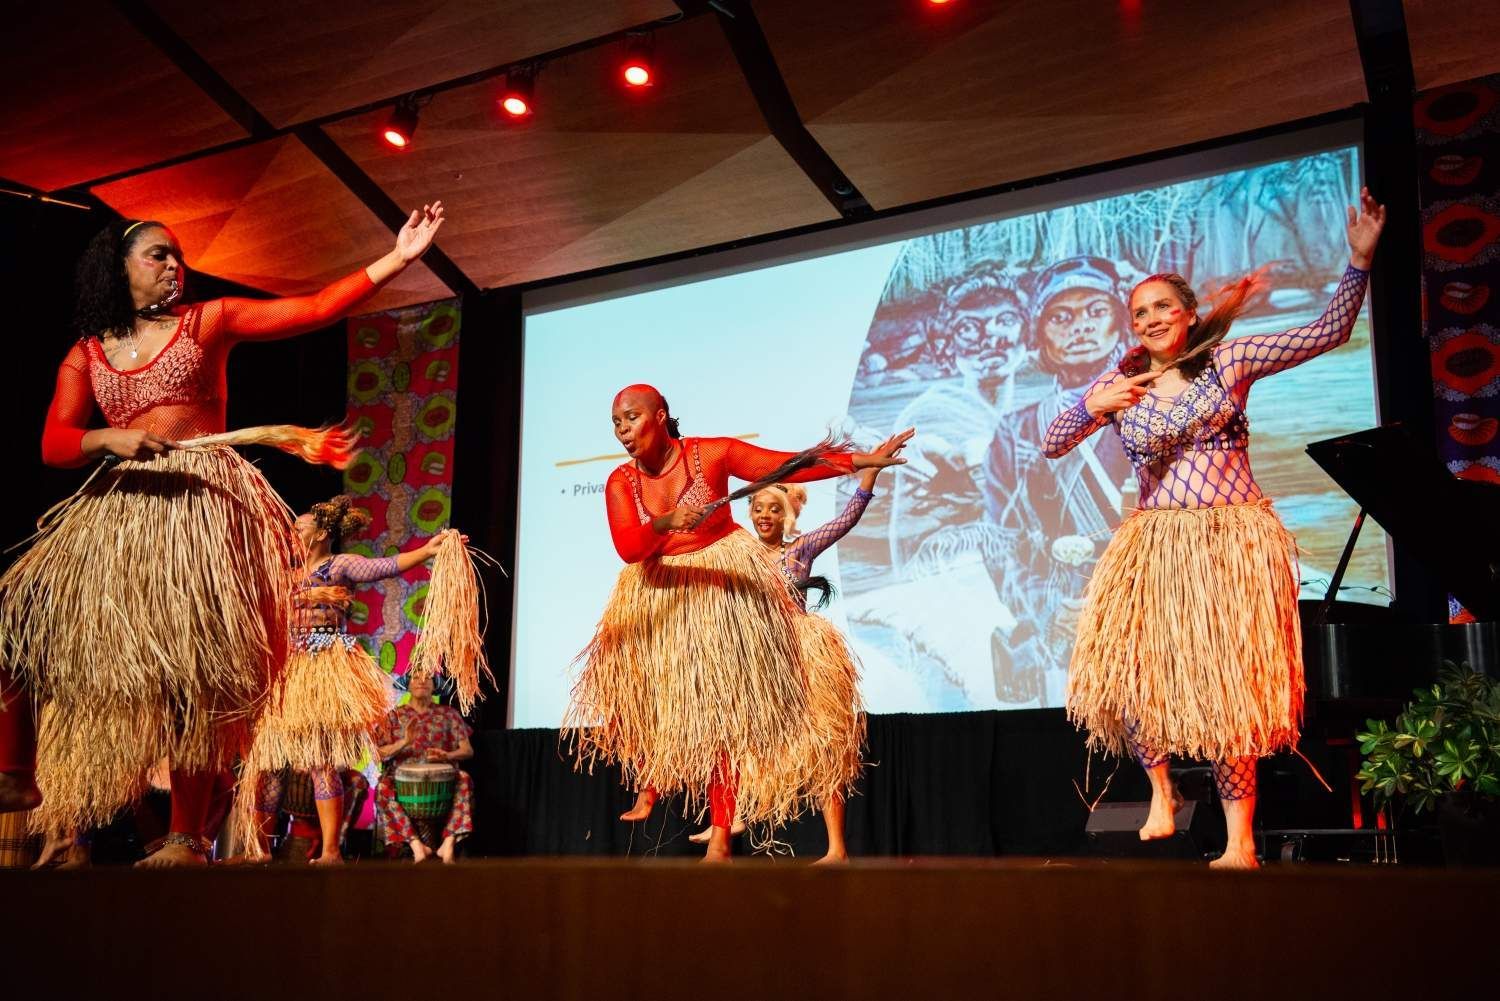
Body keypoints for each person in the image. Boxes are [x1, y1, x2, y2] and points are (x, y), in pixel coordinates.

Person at [0, 202, 446, 868]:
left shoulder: (207, 322)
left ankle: (184, 837)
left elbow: (317, 307)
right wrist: (107, 436)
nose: (175, 265)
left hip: (201, 517)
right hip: (123, 518)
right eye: (159, 254)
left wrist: (398, 257)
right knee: (23, 623)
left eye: (179, 255)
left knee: (196, 679)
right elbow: (54, 440)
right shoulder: (88, 353)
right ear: (119, 269)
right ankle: (16, 769)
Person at [1043, 188, 1385, 868]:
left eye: (1161, 306)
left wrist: (1357, 261)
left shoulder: (1229, 362)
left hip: (1230, 543)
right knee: (1136, 679)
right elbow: (1053, 440)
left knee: (1231, 694)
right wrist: (1091, 401)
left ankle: (1238, 843)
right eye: (1138, 312)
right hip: (1157, 547)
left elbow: (1327, 332)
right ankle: (1162, 793)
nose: (1149, 319)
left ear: (1188, 313)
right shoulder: (1123, 383)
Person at [566, 384, 906, 862]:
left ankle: (722, 836)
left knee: (725, 711)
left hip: (722, 586)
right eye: (617, 423)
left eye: (632, 418)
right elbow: (628, 547)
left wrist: (858, 462)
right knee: (642, 692)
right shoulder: (621, 481)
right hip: (660, 591)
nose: (623, 430)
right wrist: (665, 524)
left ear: (661, 416)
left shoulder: (712, 454)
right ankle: (649, 784)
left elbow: (784, 465)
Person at [244, 495, 463, 864]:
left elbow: (385, 566)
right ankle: (260, 850)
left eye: (300, 526)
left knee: (321, 760)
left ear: (320, 534)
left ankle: (331, 851)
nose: (293, 531)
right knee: (269, 762)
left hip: (321, 668)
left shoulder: (338, 565)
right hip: (288, 673)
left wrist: (425, 551)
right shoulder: (286, 573)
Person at [983, 257, 1134, 703]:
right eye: (1061, 317)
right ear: (1040, 335)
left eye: (1096, 311)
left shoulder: (1158, 409)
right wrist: (1049, 612)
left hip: (1151, 607)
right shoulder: (1016, 431)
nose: (1080, 327)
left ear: (1119, 325)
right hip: (1064, 620)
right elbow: (1000, 541)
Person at [372, 672, 474, 864]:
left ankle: (448, 844)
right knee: (383, 787)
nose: (421, 681)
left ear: (434, 685)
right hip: (400, 779)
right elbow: (378, 753)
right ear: (407, 685)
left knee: (464, 779)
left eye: (428, 678)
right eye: (416, 677)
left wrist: (448, 755)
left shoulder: (449, 714)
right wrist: (404, 741)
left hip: (443, 778)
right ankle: (417, 846)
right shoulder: (394, 716)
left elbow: (467, 750)